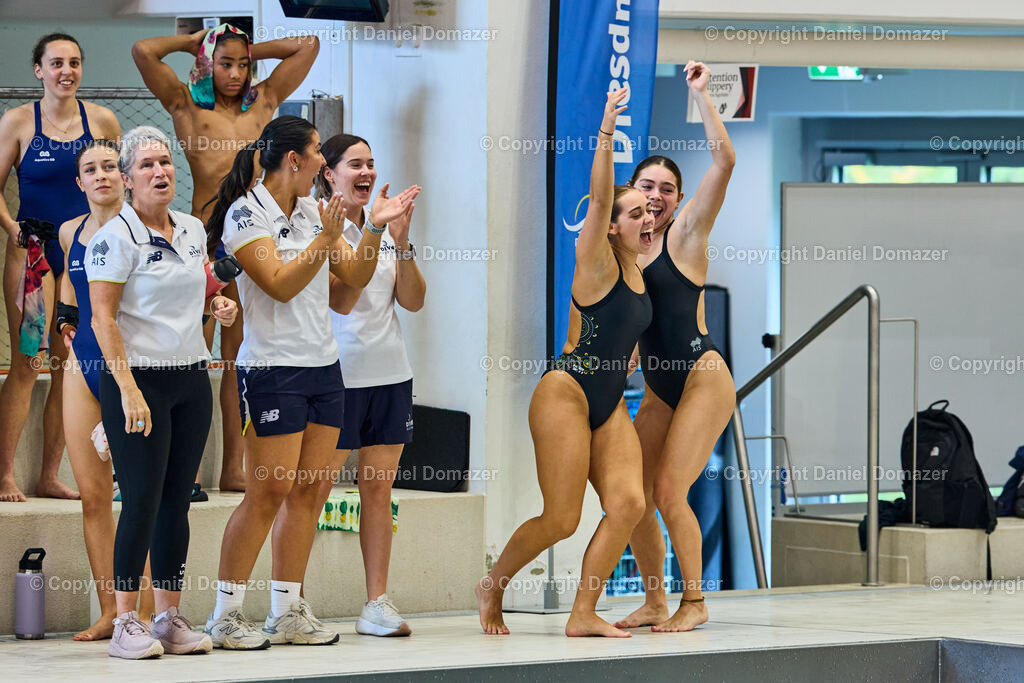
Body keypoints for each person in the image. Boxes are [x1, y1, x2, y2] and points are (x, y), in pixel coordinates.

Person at [201, 116, 419, 649]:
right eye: (320, 151)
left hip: (325, 368)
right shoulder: (244, 213)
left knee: (308, 492)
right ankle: (225, 613)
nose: (325, 161)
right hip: (273, 368)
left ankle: (287, 609)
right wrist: (326, 237)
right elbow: (277, 284)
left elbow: (356, 276)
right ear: (293, 160)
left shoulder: (311, 210)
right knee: (268, 490)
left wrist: (372, 228)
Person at [476, 88, 653, 638]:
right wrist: (606, 129)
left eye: (650, 211)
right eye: (636, 213)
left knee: (628, 503)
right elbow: (599, 199)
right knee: (562, 518)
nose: (647, 219)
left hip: (608, 402)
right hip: (567, 391)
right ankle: (493, 585)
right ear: (610, 227)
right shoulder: (595, 260)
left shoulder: (638, 268)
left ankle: (583, 613)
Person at [132, 23, 320, 492]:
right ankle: (186, 471)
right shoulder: (187, 105)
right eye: (225, 63)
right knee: (189, 350)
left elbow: (309, 45)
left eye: (243, 65)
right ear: (207, 64)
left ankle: (233, 467)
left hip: (252, 235)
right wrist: (195, 42)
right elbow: (142, 50)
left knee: (236, 355)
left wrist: (248, 47)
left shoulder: (264, 102)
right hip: (201, 236)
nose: (235, 74)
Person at [87, 126, 237, 659]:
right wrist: (126, 388)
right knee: (141, 501)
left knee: (177, 501)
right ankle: (127, 620)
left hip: (190, 378)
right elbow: (103, 318)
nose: (160, 172)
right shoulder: (113, 239)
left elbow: (198, 288)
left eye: (165, 162)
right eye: (147, 165)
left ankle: (168, 617)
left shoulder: (193, 228)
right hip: (139, 379)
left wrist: (217, 307)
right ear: (126, 180)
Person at [613, 61, 736, 633]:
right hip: (661, 388)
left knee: (668, 489)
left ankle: (695, 602)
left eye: (667, 189)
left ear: (680, 199)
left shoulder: (685, 237)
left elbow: (725, 161)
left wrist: (701, 93)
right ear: (630, 194)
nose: (656, 196)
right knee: (632, 494)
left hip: (703, 379)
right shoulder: (622, 255)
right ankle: (656, 600)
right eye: (646, 187)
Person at [312, 134, 424, 637]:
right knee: (311, 493)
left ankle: (375, 602)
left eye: (371, 164)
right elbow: (343, 298)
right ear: (328, 173)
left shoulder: (378, 223)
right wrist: (374, 231)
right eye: (354, 164)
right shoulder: (321, 222)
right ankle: (293, 599)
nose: (366, 172)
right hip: (337, 375)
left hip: (391, 375)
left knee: (378, 491)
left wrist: (401, 240)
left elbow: (414, 300)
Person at [0, 32, 120, 502]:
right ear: (39, 70)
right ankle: (5, 473)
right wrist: (10, 225)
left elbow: (115, 179)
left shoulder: (102, 119)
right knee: (29, 364)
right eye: (55, 63)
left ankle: (49, 474)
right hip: (32, 253)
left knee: (67, 365)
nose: (65, 71)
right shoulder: (17, 122)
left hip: (82, 254)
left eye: (73, 62)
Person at [57, 139, 155, 641]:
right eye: (89, 169)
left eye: (108, 167)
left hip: (132, 373)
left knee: (140, 498)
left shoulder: (142, 231)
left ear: (124, 175)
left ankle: (145, 611)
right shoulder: (70, 230)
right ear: (79, 183)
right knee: (94, 500)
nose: (100, 176)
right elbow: (70, 290)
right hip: (82, 370)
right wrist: (64, 318)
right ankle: (110, 613)